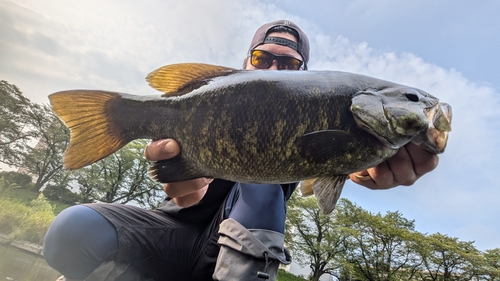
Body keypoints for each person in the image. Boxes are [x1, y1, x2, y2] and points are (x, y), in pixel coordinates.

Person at [43, 20, 439, 281]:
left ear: (306, 76)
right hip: (170, 236)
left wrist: (366, 166)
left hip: (237, 258)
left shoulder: (339, 124)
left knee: (263, 185)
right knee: (73, 228)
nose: (273, 69)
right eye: (261, 58)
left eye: (289, 65)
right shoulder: (209, 104)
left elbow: (343, 164)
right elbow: (173, 179)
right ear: (244, 63)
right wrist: (180, 178)